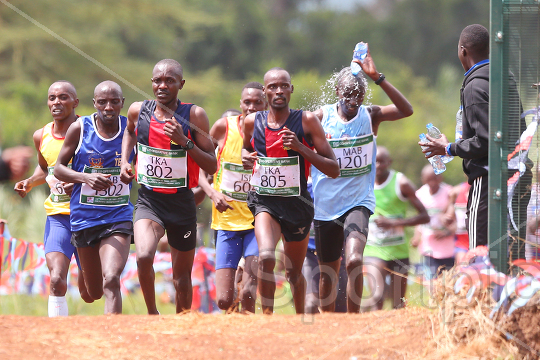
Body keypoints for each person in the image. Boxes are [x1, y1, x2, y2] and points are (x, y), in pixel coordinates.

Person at [311, 48, 413, 313]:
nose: (353, 100)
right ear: (337, 92)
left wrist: (378, 77)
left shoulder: (371, 115)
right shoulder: (321, 118)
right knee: (328, 272)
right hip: (325, 205)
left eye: (358, 94)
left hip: (358, 201)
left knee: (355, 260)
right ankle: (328, 324)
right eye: (348, 94)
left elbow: (406, 110)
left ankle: (353, 321)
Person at [120, 59, 217, 314]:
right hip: (149, 201)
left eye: (169, 80)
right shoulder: (138, 110)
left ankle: (181, 322)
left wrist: (184, 141)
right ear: (151, 83)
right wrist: (124, 160)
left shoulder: (194, 115)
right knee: (142, 257)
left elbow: (212, 163)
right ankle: (153, 314)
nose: (162, 85)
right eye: (157, 80)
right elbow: (129, 132)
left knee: (181, 276)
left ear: (181, 84)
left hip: (181, 204)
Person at [242, 67, 340, 314]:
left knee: (294, 273)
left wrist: (301, 148)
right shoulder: (253, 122)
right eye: (272, 86)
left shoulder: (306, 120)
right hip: (265, 201)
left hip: (297, 206)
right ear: (265, 91)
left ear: (291, 89)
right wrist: (246, 157)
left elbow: (333, 168)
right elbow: (246, 149)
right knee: (266, 257)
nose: (278, 91)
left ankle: (299, 323)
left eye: (283, 85)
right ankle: (267, 320)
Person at [54, 81, 134, 314]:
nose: (108, 107)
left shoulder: (131, 129)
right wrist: (85, 178)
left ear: (122, 103)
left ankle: (114, 338)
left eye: (114, 102)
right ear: (94, 103)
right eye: (102, 102)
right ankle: (86, 272)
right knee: (92, 293)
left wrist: (131, 171)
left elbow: (143, 162)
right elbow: (59, 168)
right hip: (84, 218)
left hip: (117, 215)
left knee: (111, 278)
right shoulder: (80, 127)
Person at [14, 81, 89, 317]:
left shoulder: (90, 131)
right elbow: (45, 169)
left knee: (90, 292)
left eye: (63, 97)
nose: (56, 102)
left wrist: (78, 181)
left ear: (75, 103)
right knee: (56, 278)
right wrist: (29, 182)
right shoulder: (42, 135)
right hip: (58, 216)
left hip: (90, 216)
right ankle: (57, 336)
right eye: (52, 98)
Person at [198, 82, 267, 313]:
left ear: (266, 104)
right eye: (247, 102)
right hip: (226, 223)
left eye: (258, 102)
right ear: (240, 104)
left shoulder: (273, 131)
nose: (252, 107)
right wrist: (212, 192)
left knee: (248, 291)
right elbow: (197, 163)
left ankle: (248, 338)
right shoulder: (223, 128)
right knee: (224, 301)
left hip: (257, 223)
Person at [419, 24, 490, 248]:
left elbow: (485, 141)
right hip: (513, 175)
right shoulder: (501, 78)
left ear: (463, 51)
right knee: (507, 252)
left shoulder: (475, 86)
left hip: (487, 177)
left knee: (480, 251)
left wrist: (449, 148)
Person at [363, 147, 429, 310]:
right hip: (373, 249)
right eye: (374, 161)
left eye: (381, 161)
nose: (377, 165)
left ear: (389, 163)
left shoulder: (401, 182)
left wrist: (394, 223)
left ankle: (396, 335)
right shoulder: (363, 181)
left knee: (398, 303)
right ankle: (373, 332)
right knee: (377, 296)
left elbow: (424, 216)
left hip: (398, 251)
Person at [411, 165, 456, 279]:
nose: (432, 183)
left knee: (449, 280)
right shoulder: (420, 194)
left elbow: (457, 219)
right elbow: (419, 219)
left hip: (448, 246)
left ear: (441, 178)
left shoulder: (449, 192)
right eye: (428, 180)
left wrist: (446, 232)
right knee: (432, 279)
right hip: (429, 245)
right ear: (423, 180)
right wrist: (416, 237)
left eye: (434, 179)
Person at [446, 181, 471, 265]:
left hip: (482, 242)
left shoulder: (486, 189)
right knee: (463, 270)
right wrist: (449, 221)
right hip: (462, 243)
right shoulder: (456, 191)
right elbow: (448, 217)